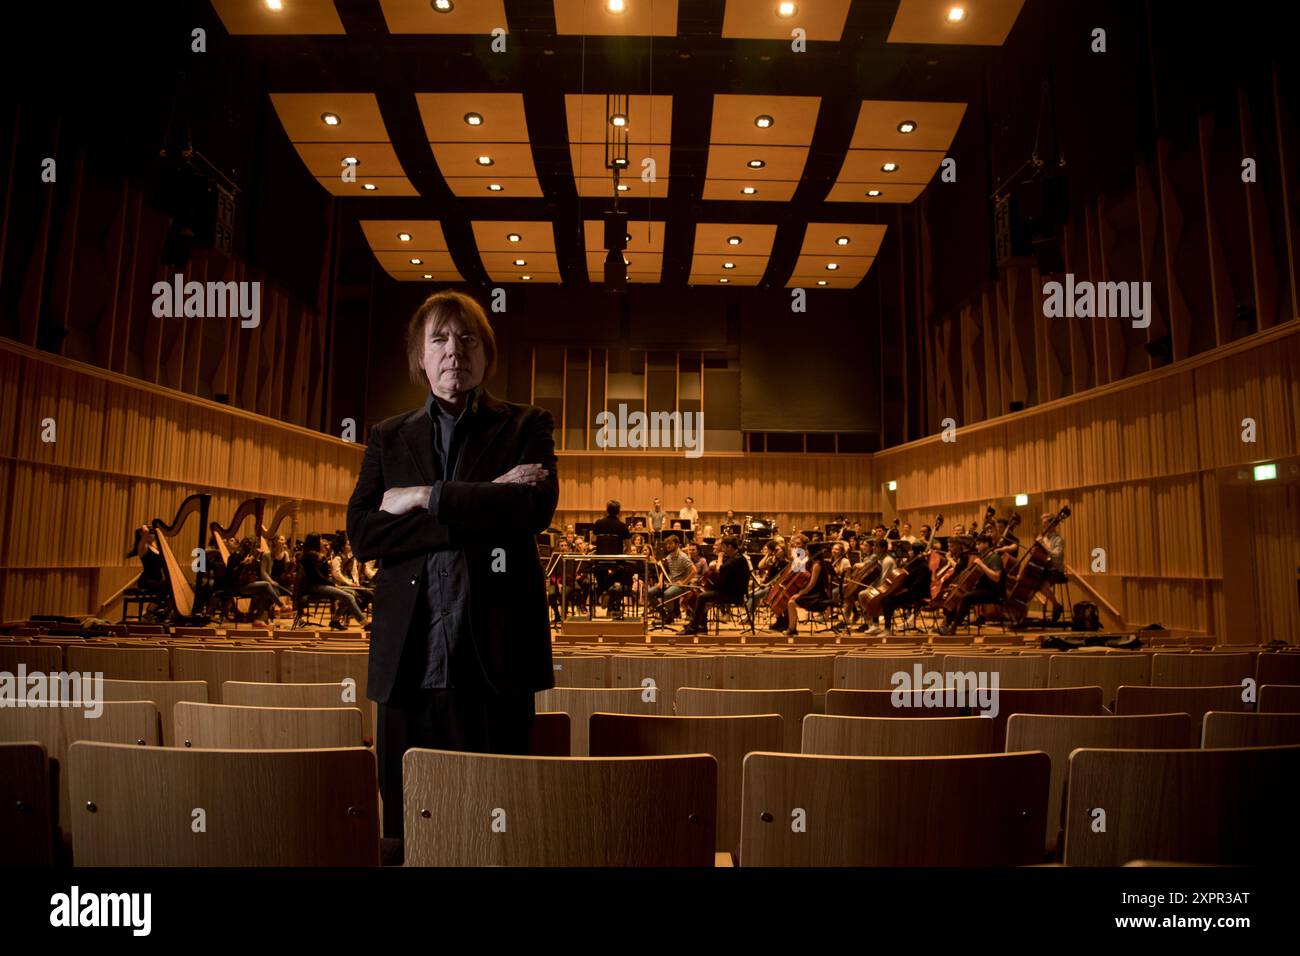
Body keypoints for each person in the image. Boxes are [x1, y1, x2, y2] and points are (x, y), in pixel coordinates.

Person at [346, 290, 558, 846]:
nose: (452, 351)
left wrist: (421, 496)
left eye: (467, 339)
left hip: (495, 661)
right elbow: (365, 533)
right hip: (407, 665)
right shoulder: (388, 437)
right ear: (420, 357)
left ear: (486, 356)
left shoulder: (526, 426)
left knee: (496, 825)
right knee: (405, 828)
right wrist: (483, 497)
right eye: (438, 339)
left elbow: (531, 509)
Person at [294, 533, 366, 630]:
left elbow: (323, 575)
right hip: (314, 586)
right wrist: (333, 584)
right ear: (315, 542)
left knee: (352, 593)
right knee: (348, 596)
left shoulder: (316, 555)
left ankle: (335, 620)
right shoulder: (310, 556)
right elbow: (316, 576)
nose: (323, 541)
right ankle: (364, 622)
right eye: (321, 539)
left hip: (321, 584)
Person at [936, 534, 1004, 635]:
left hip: (993, 592)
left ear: (986, 543)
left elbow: (996, 577)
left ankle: (953, 627)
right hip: (982, 589)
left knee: (966, 597)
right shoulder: (983, 557)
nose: (976, 547)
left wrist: (981, 564)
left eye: (979, 544)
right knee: (958, 594)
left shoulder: (995, 557)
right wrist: (960, 585)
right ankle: (946, 624)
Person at [681, 536, 749, 635]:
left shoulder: (737, 560)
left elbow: (720, 569)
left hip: (733, 594)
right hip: (727, 591)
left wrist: (720, 557)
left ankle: (693, 627)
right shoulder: (735, 558)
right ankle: (701, 626)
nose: (723, 550)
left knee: (702, 597)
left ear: (729, 546)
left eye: (724, 547)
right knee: (702, 595)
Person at [592, 500, 631, 617]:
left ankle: (604, 590)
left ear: (606, 510)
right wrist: (621, 555)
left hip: (600, 562)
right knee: (620, 576)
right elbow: (629, 547)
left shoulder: (598, 523)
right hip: (616, 562)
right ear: (619, 512)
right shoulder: (622, 526)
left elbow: (593, 541)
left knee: (599, 572)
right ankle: (613, 604)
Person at [646, 534, 695, 623]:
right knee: (649, 593)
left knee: (667, 594)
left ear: (677, 544)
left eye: (670, 543)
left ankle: (670, 615)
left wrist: (684, 582)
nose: (668, 546)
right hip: (670, 583)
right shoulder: (669, 557)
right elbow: (663, 571)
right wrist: (660, 581)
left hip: (681, 585)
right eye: (667, 544)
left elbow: (694, 571)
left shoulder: (683, 557)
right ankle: (665, 615)